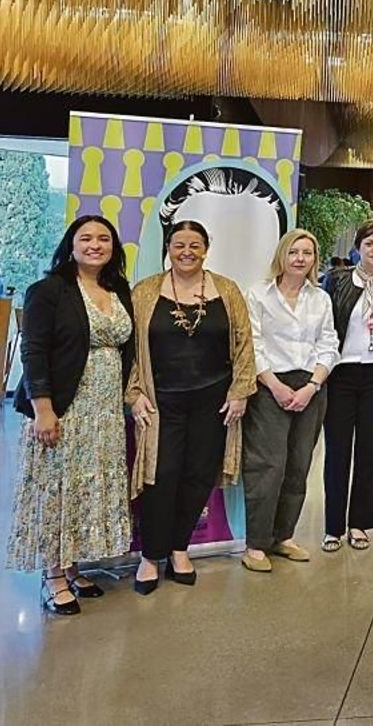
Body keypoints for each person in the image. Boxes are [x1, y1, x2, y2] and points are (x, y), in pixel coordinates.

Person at [8, 215, 136, 615]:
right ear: (71, 244)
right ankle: (53, 576)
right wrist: (43, 409)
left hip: (105, 413)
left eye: (104, 238)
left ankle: (73, 565)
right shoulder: (49, 290)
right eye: (86, 238)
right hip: (66, 407)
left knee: (85, 489)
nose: (95, 245)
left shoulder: (118, 289)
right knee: (57, 489)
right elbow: (34, 352)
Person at [126, 220, 256, 595]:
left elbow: (244, 344)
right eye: (179, 244)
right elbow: (130, 350)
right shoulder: (145, 292)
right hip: (160, 401)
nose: (187, 251)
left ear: (205, 248)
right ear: (168, 246)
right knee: (160, 475)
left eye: (194, 245)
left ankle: (180, 548)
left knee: (199, 475)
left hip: (213, 402)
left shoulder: (226, 290)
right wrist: (134, 393)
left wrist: (240, 392)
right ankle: (150, 556)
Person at [241, 229, 340, 572]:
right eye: (294, 252)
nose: (300, 258)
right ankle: (256, 544)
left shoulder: (320, 299)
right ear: (282, 255)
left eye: (307, 253)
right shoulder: (258, 294)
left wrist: (312, 385)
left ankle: (283, 536)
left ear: (314, 259)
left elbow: (329, 344)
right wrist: (274, 384)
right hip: (269, 385)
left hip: (311, 386)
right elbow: (251, 344)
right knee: (268, 466)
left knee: (299, 464)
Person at [321, 219, 373, 553]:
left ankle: (360, 524)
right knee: (337, 451)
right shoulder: (338, 280)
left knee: (372, 452)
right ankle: (332, 527)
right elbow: (326, 325)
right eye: (369, 243)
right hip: (341, 374)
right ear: (358, 247)